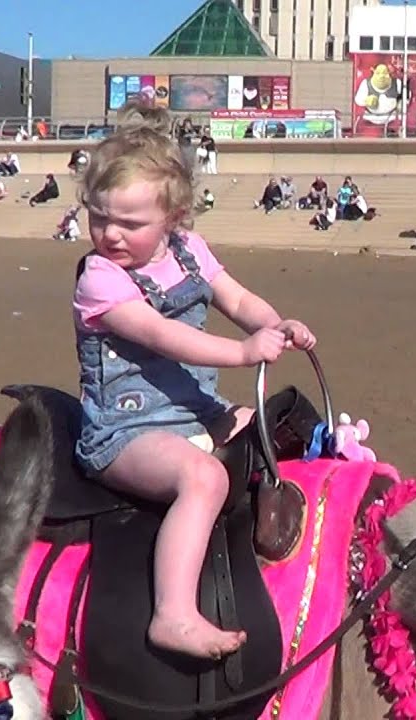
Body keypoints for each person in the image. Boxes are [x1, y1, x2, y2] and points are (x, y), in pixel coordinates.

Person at [71, 100, 318, 660]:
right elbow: (163, 336)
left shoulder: (190, 252)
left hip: (196, 412)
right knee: (204, 479)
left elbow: (235, 297)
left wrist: (274, 323)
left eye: (129, 224)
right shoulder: (100, 280)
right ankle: (173, 612)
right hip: (125, 433)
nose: (109, 234)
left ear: (174, 219)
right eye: (98, 217)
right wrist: (244, 350)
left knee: (279, 432)